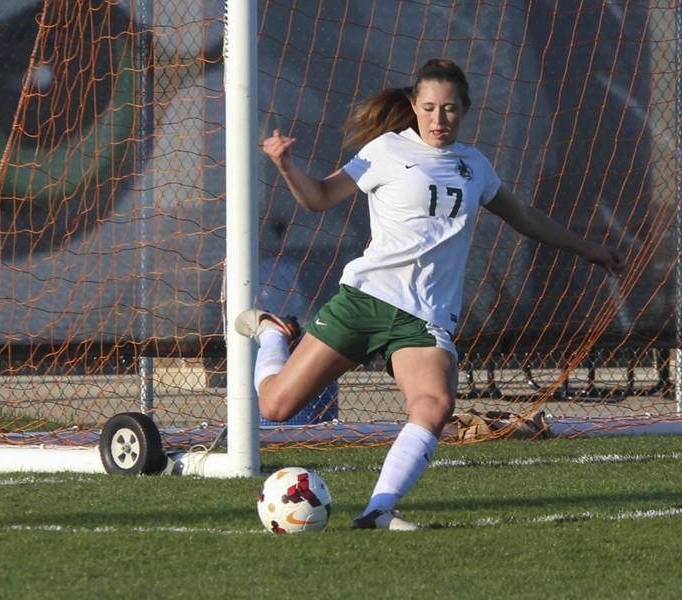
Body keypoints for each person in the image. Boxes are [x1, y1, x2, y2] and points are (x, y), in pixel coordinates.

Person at [235, 59, 623, 531]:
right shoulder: (384, 150)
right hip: (365, 300)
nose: (439, 119)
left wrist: (588, 249)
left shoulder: (475, 166)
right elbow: (318, 198)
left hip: (425, 319)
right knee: (276, 407)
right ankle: (274, 333)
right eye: (430, 108)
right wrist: (285, 164)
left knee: (435, 406)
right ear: (414, 107)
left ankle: (378, 509)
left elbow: (524, 217)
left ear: (465, 110)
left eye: (450, 109)